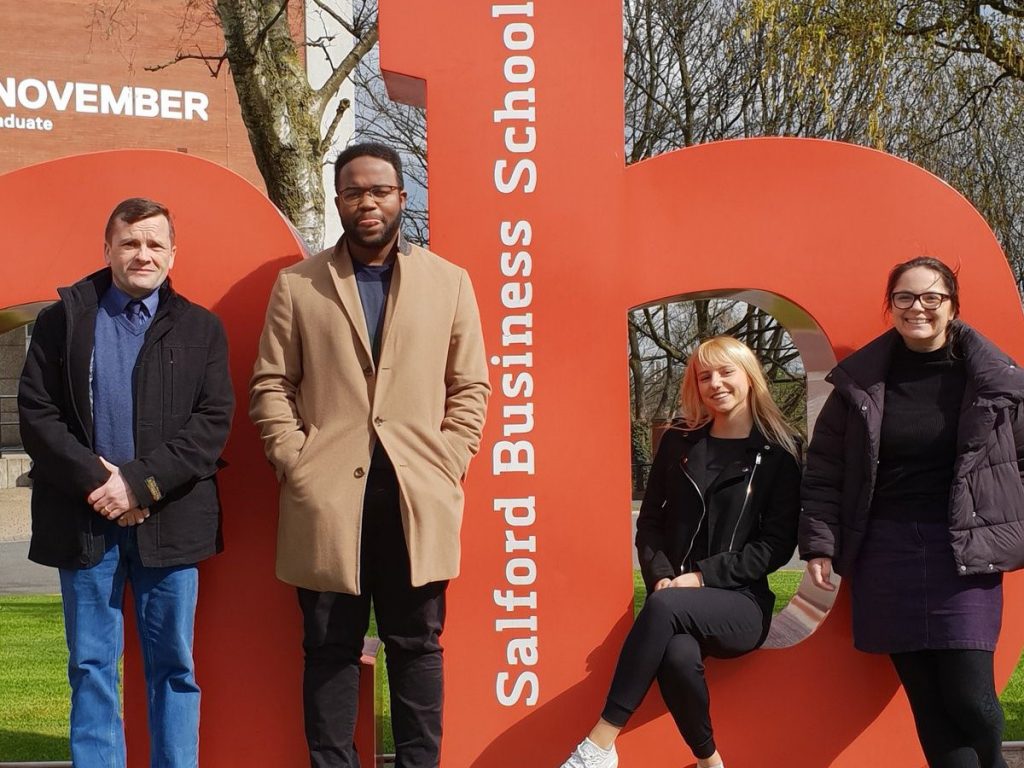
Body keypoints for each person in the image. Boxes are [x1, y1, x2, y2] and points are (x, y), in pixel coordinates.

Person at [249, 141, 490, 768]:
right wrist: (295, 462)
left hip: (416, 499)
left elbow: (470, 386)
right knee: (329, 650)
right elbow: (271, 382)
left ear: (402, 198)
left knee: (417, 646)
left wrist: (450, 459)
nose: (368, 202)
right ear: (338, 201)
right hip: (328, 501)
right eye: (354, 191)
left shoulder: (449, 282)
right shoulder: (298, 285)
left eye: (380, 190)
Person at [18, 197, 234, 768]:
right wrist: (102, 485)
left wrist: (138, 485)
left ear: (172, 253)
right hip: (84, 520)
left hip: (171, 523)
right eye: (130, 242)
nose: (143, 254)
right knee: (91, 666)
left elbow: (211, 426)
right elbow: (38, 416)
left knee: (175, 668)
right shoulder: (61, 321)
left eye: (154, 244)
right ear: (107, 247)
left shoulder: (201, 328)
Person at [800, 256, 1024, 768]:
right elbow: (825, 469)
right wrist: (820, 542)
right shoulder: (861, 386)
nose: (917, 307)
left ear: (952, 306)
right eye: (904, 297)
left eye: (931, 297)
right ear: (890, 306)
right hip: (886, 552)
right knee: (929, 704)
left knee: (973, 701)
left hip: (964, 550)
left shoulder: (995, 380)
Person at [559, 336, 801, 768]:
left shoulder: (777, 455)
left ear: (749, 377)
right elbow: (650, 521)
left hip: (740, 602)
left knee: (667, 606)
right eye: (704, 375)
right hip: (673, 593)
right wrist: (661, 576)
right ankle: (710, 762)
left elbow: (777, 546)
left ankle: (598, 745)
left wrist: (701, 578)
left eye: (726, 371)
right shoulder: (679, 443)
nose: (715, 383)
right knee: (676, 655)